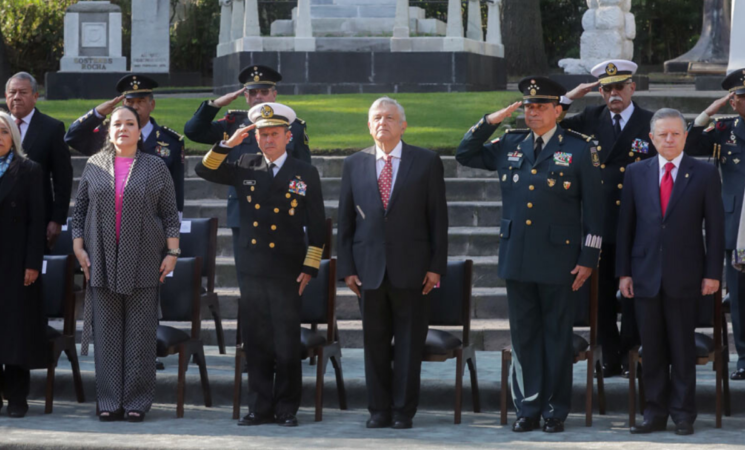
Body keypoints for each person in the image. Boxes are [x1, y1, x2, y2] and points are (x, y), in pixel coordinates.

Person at [456, 77, 604, 433]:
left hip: (561, 260)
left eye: (540, 107)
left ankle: (555, 410)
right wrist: (490, 120)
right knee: (523, 338)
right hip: (518, 256)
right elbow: (465, 153)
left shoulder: (581, 148)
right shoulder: (509, 144)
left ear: (558, 110)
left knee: (556, 336)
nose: (532, 112)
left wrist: (588, 258)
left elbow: (596, 212)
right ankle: (528, 408)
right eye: (527, 106)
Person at [195, 102, 325, 427]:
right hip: (252, 267)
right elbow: (204, 170)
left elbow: (319, 225)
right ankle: (258, 408)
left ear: (287, 135)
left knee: (285, 342)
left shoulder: (304, 172)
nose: (268, 140)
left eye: (274, 134)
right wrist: (228, 143)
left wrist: (310, 267)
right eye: (263, 134)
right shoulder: (244, 163)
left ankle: (286, 409)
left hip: (288, 268)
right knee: (257, 341)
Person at [337, 97, 448, 430]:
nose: (382, 122)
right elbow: (344, 222)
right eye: (376, 118)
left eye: (389, 117)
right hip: (368, 271)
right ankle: (378, 409)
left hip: (413, 271)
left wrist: (436, 267)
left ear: (403, 125)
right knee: (374, 345)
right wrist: (347, 268)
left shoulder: (426, 162)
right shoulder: (353, 164)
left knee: (409, 346)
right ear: (368, 125)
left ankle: (402, 411)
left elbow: (438, 220)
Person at [617, 108, 724, 436]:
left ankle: (683, 414)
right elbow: (626, 228)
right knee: (651, 349)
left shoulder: (704, 174)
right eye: (662, 134)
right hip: (644, 275)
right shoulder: (636, 173)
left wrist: (712, 273)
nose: (669, 139)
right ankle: (655, 413)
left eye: (675, 133)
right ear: (651, 138)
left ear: (685, 136)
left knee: (681, 348)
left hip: (687, 275)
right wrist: (623, 273)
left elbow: (716, 229)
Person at [71, 105, 181, 422]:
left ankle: (136, 402)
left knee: (140, 335)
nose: (123, 129)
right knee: (106, 334)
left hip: (144, 260)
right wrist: (78, 245)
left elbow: (170, 216)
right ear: (109, 131)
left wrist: (172, 254)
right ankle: (108, 401)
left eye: (129, 123)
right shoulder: (94, 165)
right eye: (117, 124)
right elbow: (79, 213)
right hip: (101, 261)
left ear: (138, 129)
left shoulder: (155, 166)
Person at [560, 60, 656, 378]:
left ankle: (633, 355)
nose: (614, 93)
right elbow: (550, 126)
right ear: (599, 91)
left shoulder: (650, 122)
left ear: (633, 87)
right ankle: (609, 357)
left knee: (633, 293)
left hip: (637, 221)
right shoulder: (590, 118)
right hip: (599, 221)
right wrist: (569, 97)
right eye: (607, 88)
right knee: (599, 295)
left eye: (620, 87)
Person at [185, 65, 310, 297]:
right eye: (253, 92)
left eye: (264, 91)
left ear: (274, 94)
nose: (258, 97)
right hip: (244, 216)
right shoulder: (234, 124)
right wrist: (215, 105)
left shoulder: (293, 127)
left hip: (283, 217)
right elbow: (193, 131)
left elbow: (304, 176)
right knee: (250, 286)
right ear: (245, 96)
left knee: (283, 287)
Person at [685, 69, 745, 380]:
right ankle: (744, 357)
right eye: (742, 97)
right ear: (734, 101)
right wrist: (708, 113)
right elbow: (691, 144)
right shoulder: (725, 129)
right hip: (737, 226)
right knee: (739, 295)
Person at [65, 74, 184, 217]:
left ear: (152, 105)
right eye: (130, 102)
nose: (135, 107)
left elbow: (175, 190)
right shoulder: (107, 135)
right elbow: (72, 136)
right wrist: (98, 112)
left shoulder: (170, 141)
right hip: (108, 217)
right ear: (123, 105)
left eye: (140, 101)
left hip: (151, 221)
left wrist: (174, 226)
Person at [0, 111, 46, 418]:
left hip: (16, 264)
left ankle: (17, 397)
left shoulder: (28, 170)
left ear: (13, 137)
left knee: (15, 334)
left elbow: (37, 221)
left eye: (3, 131)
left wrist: (32, 263)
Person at [5, 72, 72, 251]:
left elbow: (63, 179)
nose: (16, 97)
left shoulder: (51, 128)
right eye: (12, 92)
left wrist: (57, 220)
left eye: (23, 92)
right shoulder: (2, 127)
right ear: (6, 96)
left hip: (35, 222)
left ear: (35, 96)